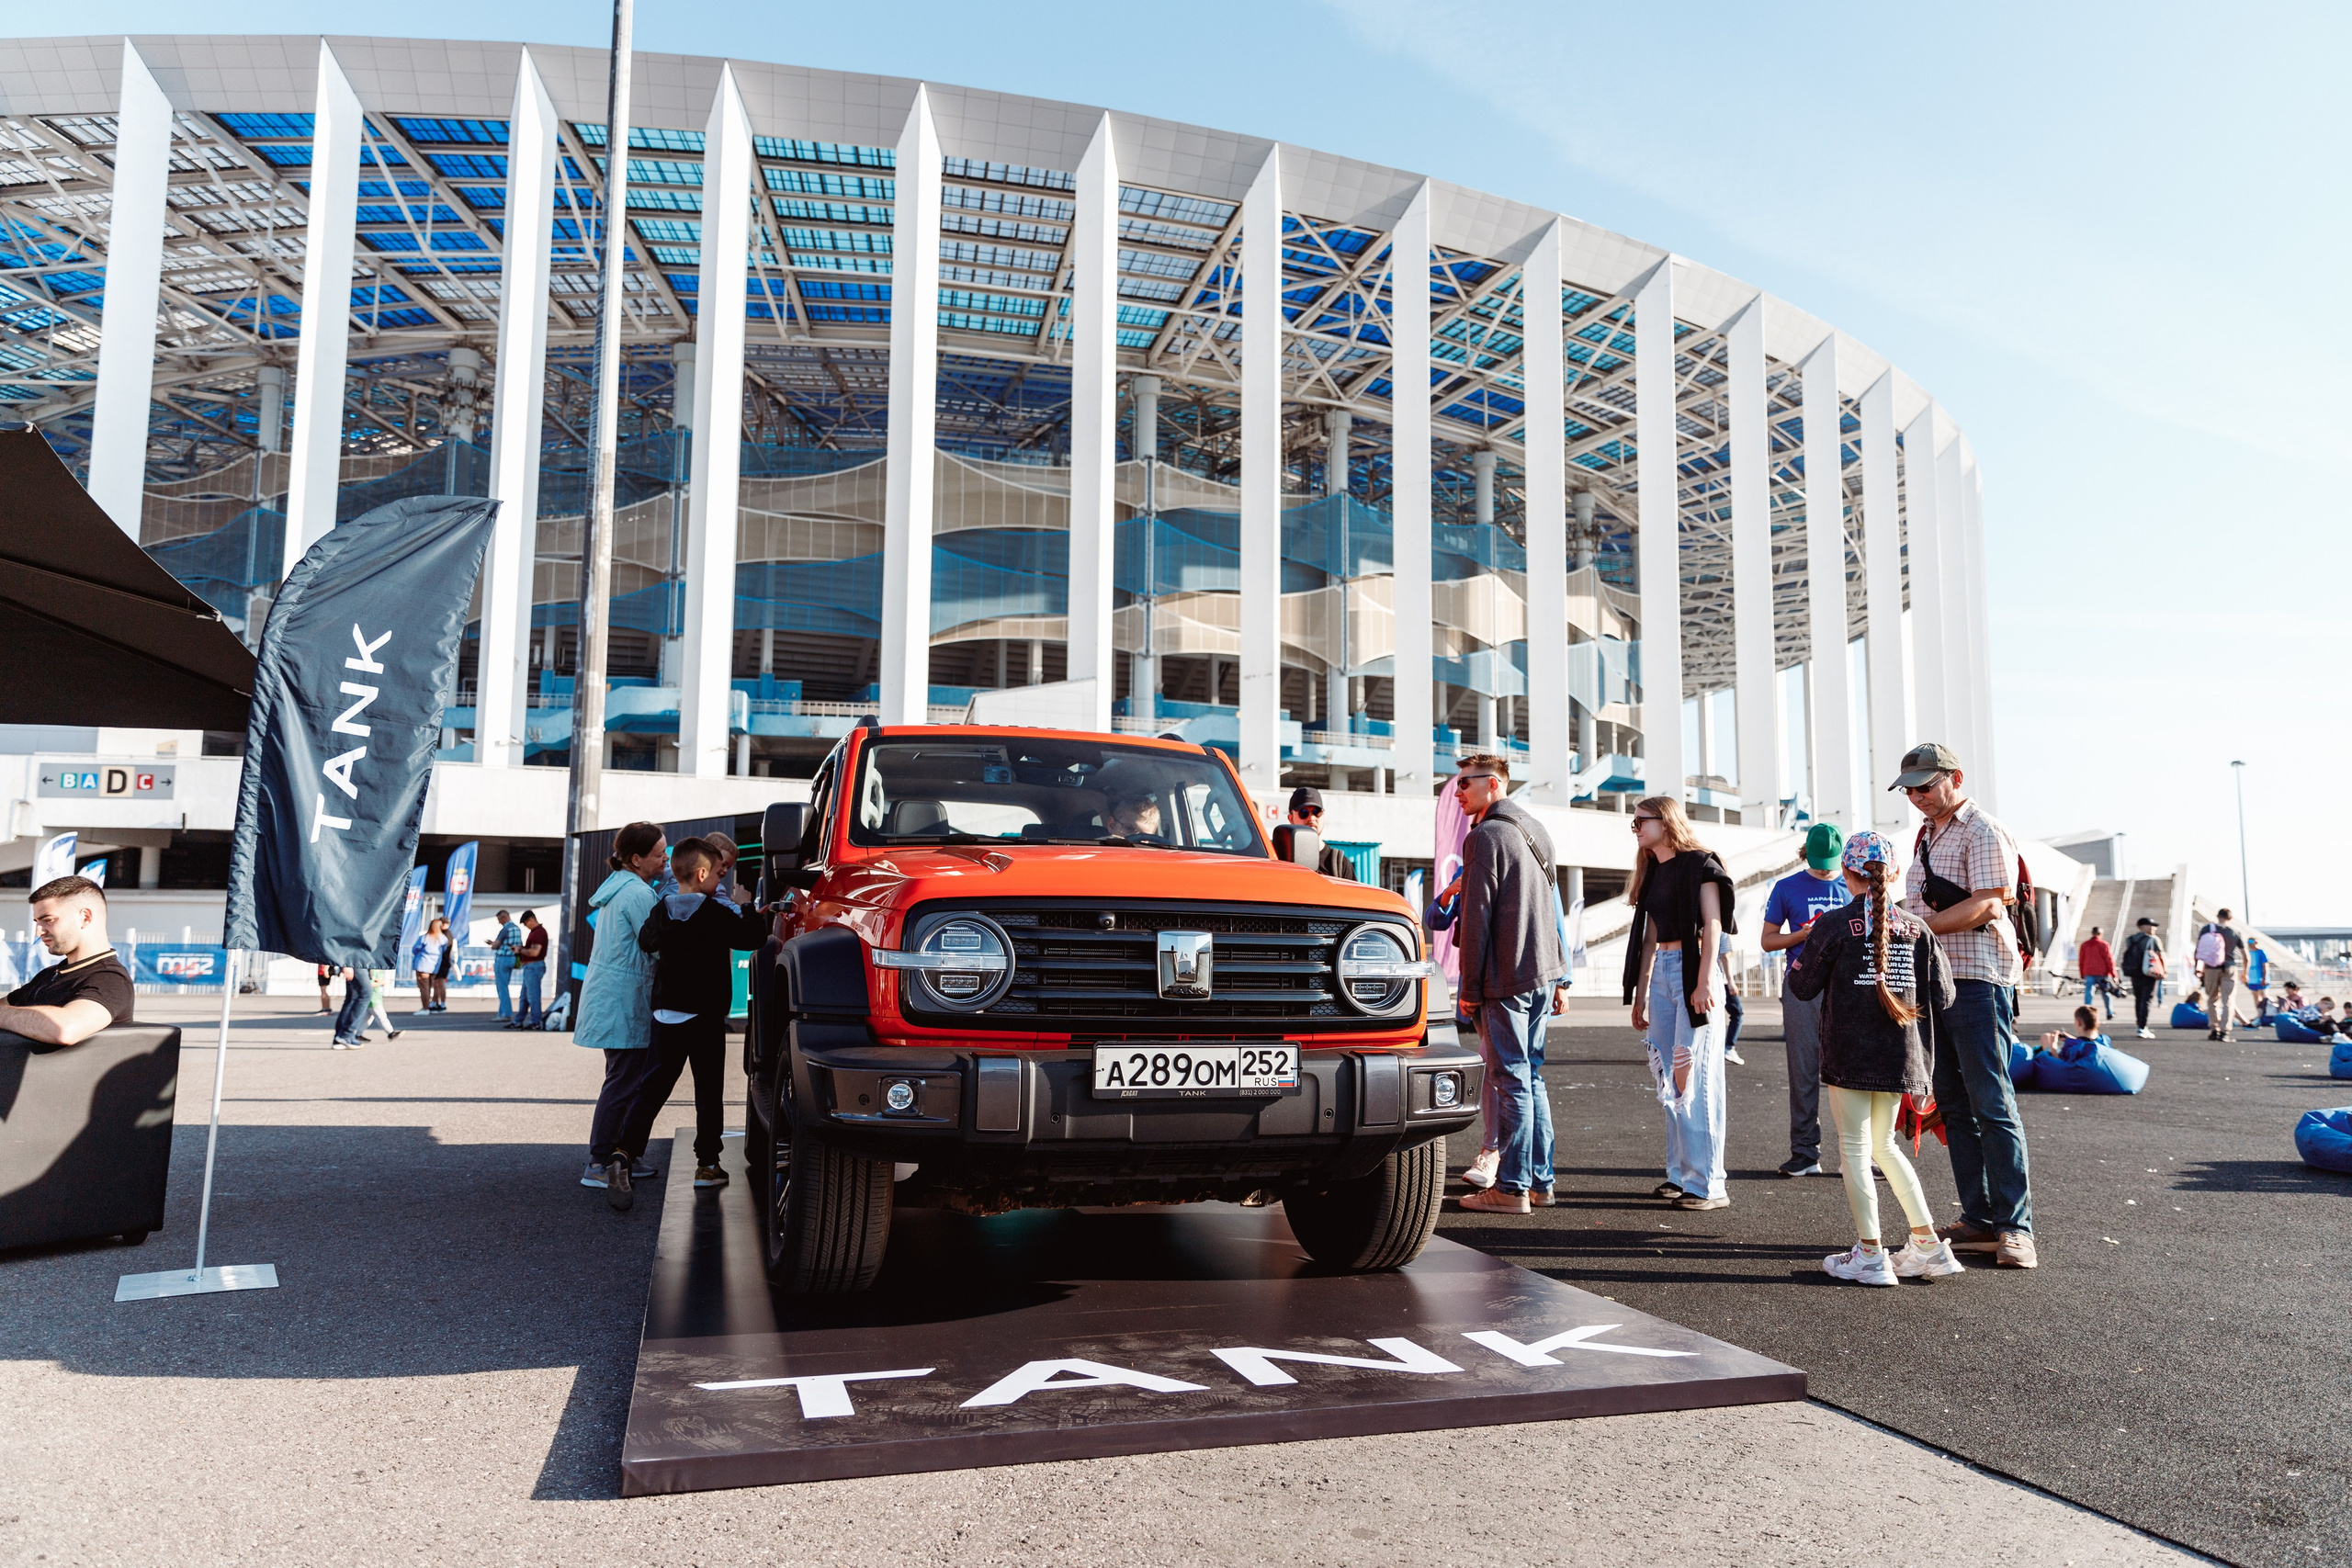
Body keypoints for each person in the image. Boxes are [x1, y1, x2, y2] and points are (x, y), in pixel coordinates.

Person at [1784, 829, 1963, 1285]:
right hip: (1902, 1055)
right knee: (1884, 1147)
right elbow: (1945, 995)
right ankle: (1926, 1243)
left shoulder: (1834, 924)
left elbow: (1802, 986)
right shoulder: (1917, 928)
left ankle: (1869, 1253)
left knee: (1855, 1150)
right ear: (1898, 873)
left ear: (1847, 873)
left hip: (1850, 1053)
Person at [1893, 741, 2037, 1270]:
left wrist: (1917, 928)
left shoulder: (1983, 829)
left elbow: (1989, 903)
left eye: (1925, 786)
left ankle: (2015, 1228)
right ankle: (1979, 1219)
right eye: (1909, 789)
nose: (1916, 797)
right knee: (1953, 1105)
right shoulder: (1925, 835)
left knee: (1992, 1103)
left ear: (1954, 777)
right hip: (1936, 982)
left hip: (1979, 979)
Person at [608, 837, 764, 1208]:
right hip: (704, 1016)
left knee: (652, 1089)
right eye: (717, 876)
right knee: (707, 1092)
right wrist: (747, 907)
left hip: (665, 1014)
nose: (720, 883)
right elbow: (753, 938)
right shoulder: (715, 912)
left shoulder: (662, 910)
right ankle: (708, 1166)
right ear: (702, 873)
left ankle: (624, 1154)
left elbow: (647, 942)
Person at [1449, 755, 1567, 1216]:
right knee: (1531, 1077)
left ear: (1492, 784)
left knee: (1511, 1080)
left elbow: (1475, 920)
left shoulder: (1484, 836)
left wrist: (1470, 987)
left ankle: (1512, 1188)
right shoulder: (1536, 829)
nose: (1458, 791)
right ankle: (1540, 1182)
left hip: (1505, 976)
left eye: (1464, 783)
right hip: (1541, 971)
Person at [1623, 794, 1737, 1212]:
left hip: (1693, 971)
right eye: (1633, 823)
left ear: (1665, 821)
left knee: (1696, 1076)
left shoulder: (1701, 862)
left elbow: (1712, 925)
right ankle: (1679, 1175)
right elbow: (1649, 938)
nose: (1635, 829)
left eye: (1640, 821)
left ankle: (1709, 1183)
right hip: (1664, 976)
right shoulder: (1653, 869)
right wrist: (1641, 992)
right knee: (1669, 1077)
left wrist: (1706, 980)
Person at [1431, 863, 1572, 1193]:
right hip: (1490, 987)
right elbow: (1436, 920)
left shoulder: (1533, 862)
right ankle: (1539, 1180)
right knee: (1521, 1076)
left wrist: (1563, 982)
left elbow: (1556, 923)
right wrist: (1452, 891)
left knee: (1508, 1074)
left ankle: (1497, 1158)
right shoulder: (1470, 868)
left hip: (1514, 985)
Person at [576, 821, 667, 1192]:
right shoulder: (637, 895)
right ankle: (600, 1161)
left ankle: (622, 1157)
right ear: (636, 859)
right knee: (623, 1082)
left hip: (612, 997)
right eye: (659, 854)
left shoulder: (621, 888)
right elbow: (658, 944)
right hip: (623, 1000)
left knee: (624, 1079)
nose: (665, 860)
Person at [1759, 821, 1849, 1178]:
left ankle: (1860, 1155)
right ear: (1805, 854)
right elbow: (1767, 940)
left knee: (1851, 1070)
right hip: (1801, 985)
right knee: (1803, 1068)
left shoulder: (1853, 884)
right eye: (1818, 860)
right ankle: (1804, 1151)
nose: (1826, 867)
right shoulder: (1787, 887)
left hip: (1847, 988)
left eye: (1831, 861)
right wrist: (1801, 935)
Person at [0, 875, 133, 1045]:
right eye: (37, 922)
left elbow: (65, 1029)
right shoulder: (50, 975)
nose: (38, 932)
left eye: (48, 920)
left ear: (85, 918)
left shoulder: (111, 979)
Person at [1279, 786, 1358, 879]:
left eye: (1317, 812)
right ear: (1290, 818)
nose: (1311, 818)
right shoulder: (1279, 859)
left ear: (1323, 815)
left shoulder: (1340, 864)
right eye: (1304, 813)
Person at [2194, 908, 2245, 1043]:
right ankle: (2225, 1032)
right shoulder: (2235, 932)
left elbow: (2198, 949)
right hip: (2230, 967)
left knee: (2212, 999)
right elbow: (2245, 956)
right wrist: (2245, 972)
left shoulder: (2207, 929)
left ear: (2217, 916)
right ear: (2230, 918)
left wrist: (2197, 967)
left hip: (2211, 968)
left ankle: (2213, 1029)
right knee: (2228, 1000)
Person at [2120, 917, 2165, 1040]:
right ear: (2143, 926)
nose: (2153, 928)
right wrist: (2163, 971)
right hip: (2148, 972)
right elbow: (2161, 956)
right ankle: (2142, 1027)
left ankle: (2139, 1025)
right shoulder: (2153, 939)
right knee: (2147, 1000)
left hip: (2135, 972)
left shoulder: (2131, 939)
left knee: (2138, 999)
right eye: (2151, 926)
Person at [513, 912, 549, 1030]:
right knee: (524, 996)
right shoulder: (536, 932)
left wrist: (520, 950)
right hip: (531, 967)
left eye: (525, 924)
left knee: (533, 996)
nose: (526, 926)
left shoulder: (538, 933)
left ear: (531, 920)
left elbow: (534, 952)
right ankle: (518, 1021)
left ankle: (535, 1022)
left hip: (533, 966)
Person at [490, 908, 524, 1022]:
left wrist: (492, 944)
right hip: (513, 959)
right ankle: (502, 1012)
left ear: (504, 917)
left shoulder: (505, 929)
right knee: (504, 986)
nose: (499, 922)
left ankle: (506, 1013)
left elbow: (496, 945)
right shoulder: (517, 929)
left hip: (503, 959)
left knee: (502, 988)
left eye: (499, 919)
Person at [412, 917, 450, 1014]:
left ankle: (425, 1008)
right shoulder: (443, 939)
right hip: (434, 966)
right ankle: (432, 1004)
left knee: (424, 988)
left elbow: (415, 949)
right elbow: (444, 950)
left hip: (423, 965)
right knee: (432, 986)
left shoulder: (425, 937)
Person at [2078, 925, 2117, 1021]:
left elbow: (2081, 960)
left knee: (2089, 992)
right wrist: (2113, 974)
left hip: (2089, 972)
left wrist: (2082, 974)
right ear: (2100, 934)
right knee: (2106, 993)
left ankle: (2087, 1012)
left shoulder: (2085, 945)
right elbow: (2109, 960)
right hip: (2102, 973)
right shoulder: (2104, 944)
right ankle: (2109, 1012)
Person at [330, 964, 368, 1049]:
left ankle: (339, 1038)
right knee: (366, 994)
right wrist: (346, 965)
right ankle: (346, 1035)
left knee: (352, 998)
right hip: (354, 962)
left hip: (354, 962)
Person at [2245, 938, 2270, 1021]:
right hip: (2252, 978)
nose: (2250, 943)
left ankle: (2266, 1014)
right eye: (2249, 942)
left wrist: (2264, 977)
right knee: (2256, 997)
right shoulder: (2248, 953)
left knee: (2264, 997)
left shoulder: (2261, 952)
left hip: (2260, 977)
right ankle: (2259, 1015)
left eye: (2251, 942)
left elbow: (2265, 965)